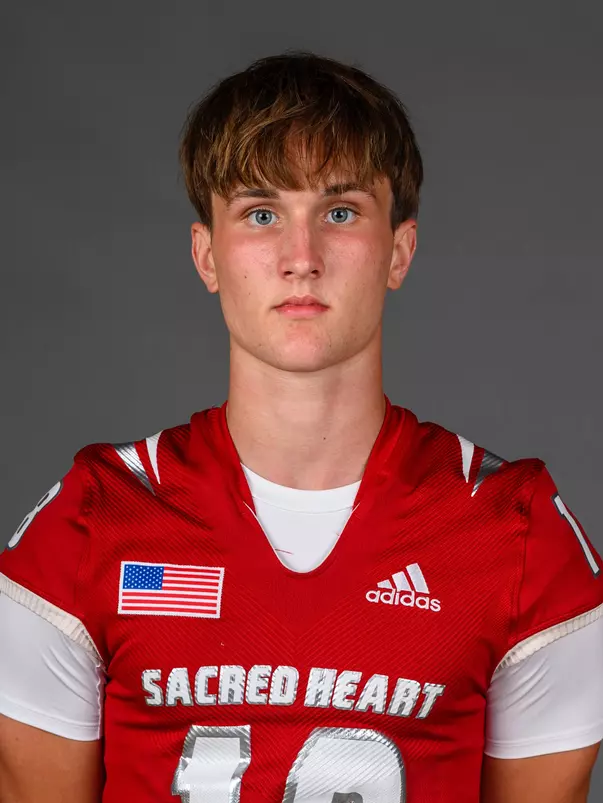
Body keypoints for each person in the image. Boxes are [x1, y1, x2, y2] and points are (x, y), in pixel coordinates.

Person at [0, 51, 601, 803]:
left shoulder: (517, 534)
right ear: (206, 254)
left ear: (399, 251)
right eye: (260, 214)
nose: (301, 258)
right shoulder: (87, 526)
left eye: (340, 212)